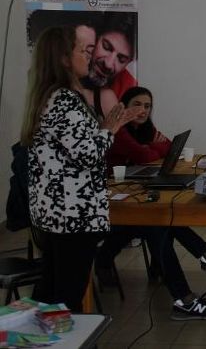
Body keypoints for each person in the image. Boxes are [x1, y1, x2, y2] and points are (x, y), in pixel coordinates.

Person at [21, 25, 136, 311]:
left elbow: (74, 148)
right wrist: (109, 129)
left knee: (51, 296)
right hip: (72, 217)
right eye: (82, 51)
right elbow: (88, 155)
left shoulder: (50, 97)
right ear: (63, 58)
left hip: (57, 216)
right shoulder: (64, 100)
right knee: (66, 300)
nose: (89, 57)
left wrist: (110, 127)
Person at [97, 86, 206, 320]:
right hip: (109, 207)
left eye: (147, 106)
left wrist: (151, 148)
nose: (142, 110)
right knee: (156, 224)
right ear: (123, 106)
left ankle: (192, 280)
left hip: (131, 197)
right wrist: (150, 149)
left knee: (159, 220)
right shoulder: (118, 130)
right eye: (137, 104)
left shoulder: (145, 129)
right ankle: (189, 286)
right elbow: (144, 155)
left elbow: (168, 146)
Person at [82, 12, 138, 117]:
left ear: (129, 62)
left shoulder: (130, 92)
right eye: (106, 47)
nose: (108, 64)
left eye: (121, 59)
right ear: (95, 38)